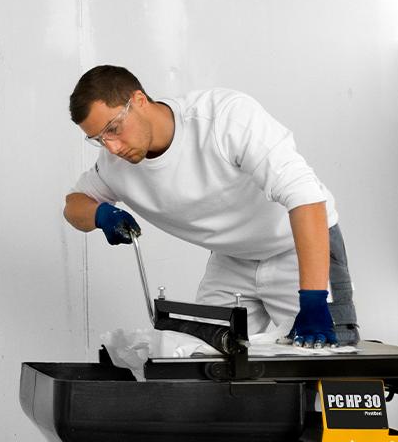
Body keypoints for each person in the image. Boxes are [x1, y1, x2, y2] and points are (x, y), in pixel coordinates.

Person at [62, 65, 358, 345]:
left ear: (138, 100)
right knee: (205, 362)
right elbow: (74, 204)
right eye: (98, 139)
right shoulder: (115, 164)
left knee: (327, 369)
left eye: (113, 128)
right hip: (232, 259)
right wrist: (100, 214)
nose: (112, 147)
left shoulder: (223, 118)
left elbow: (305, 197)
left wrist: (314, 298)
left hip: (296, 247)